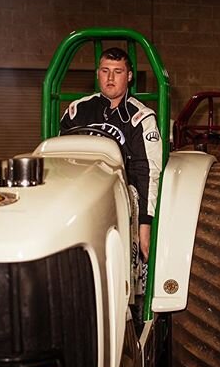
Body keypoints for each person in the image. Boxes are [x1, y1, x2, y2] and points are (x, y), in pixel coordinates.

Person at [59, 47, 162, 264]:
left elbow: (148, 172)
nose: (110, 78)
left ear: (129, 76)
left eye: (118, 71)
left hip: (122, 194)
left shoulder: (141, 118)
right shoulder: (77, 111)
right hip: (77, 191)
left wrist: (145, 225)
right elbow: (59, 160)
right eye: (105, 71)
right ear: (98, 74)